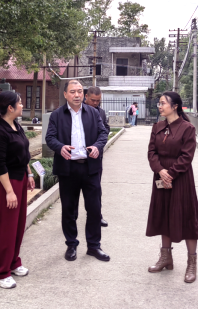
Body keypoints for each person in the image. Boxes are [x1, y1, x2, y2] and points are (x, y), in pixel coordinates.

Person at [46, 80, 109, 262]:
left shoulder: (93, 113)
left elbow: (103, 133)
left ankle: (94, 246)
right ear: (65, 94)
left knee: (94, 209)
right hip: (68, 169)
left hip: (90, 168)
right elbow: (50, 137)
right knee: (68, 209)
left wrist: (97, 146)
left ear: (83, 94)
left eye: (80, 91)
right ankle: (71, 244)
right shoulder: (57, 115)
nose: (77, 95)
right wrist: (60, 147)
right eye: (73, 91)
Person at [146, 91, 198, 284]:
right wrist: (160, 171)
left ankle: (192, 263)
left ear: (175, 106)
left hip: (181, 179)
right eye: (159, 103)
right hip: (161, 177)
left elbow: (187, 156)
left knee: (187, 218)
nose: (160, 106)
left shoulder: (188, 128)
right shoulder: (157, 127)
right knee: (163, 215)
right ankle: (166, 258)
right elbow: (151, 152)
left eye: (163, 103)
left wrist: (170, 173)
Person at [0, 91, 36, 290]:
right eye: (20, 103)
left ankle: (13, 262)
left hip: (20, 179)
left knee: (18, 225)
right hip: (5, 184)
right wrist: (9, 191)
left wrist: (29, 174)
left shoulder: (16, 126)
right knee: (4, 228)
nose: (22, 105)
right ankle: (0, 272)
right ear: (10, 107)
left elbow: (24, 154)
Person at [84, 86, 111, 227]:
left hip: (95, 157)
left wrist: (99, 143)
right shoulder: (78, 111)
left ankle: (96, 216)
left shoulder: (101, 112)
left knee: (95, 189)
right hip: (78, 157)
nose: (95, 103)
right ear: (86, 97)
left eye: (98, 100)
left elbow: (106, 128)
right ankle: (72, 218)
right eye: (93, 100)